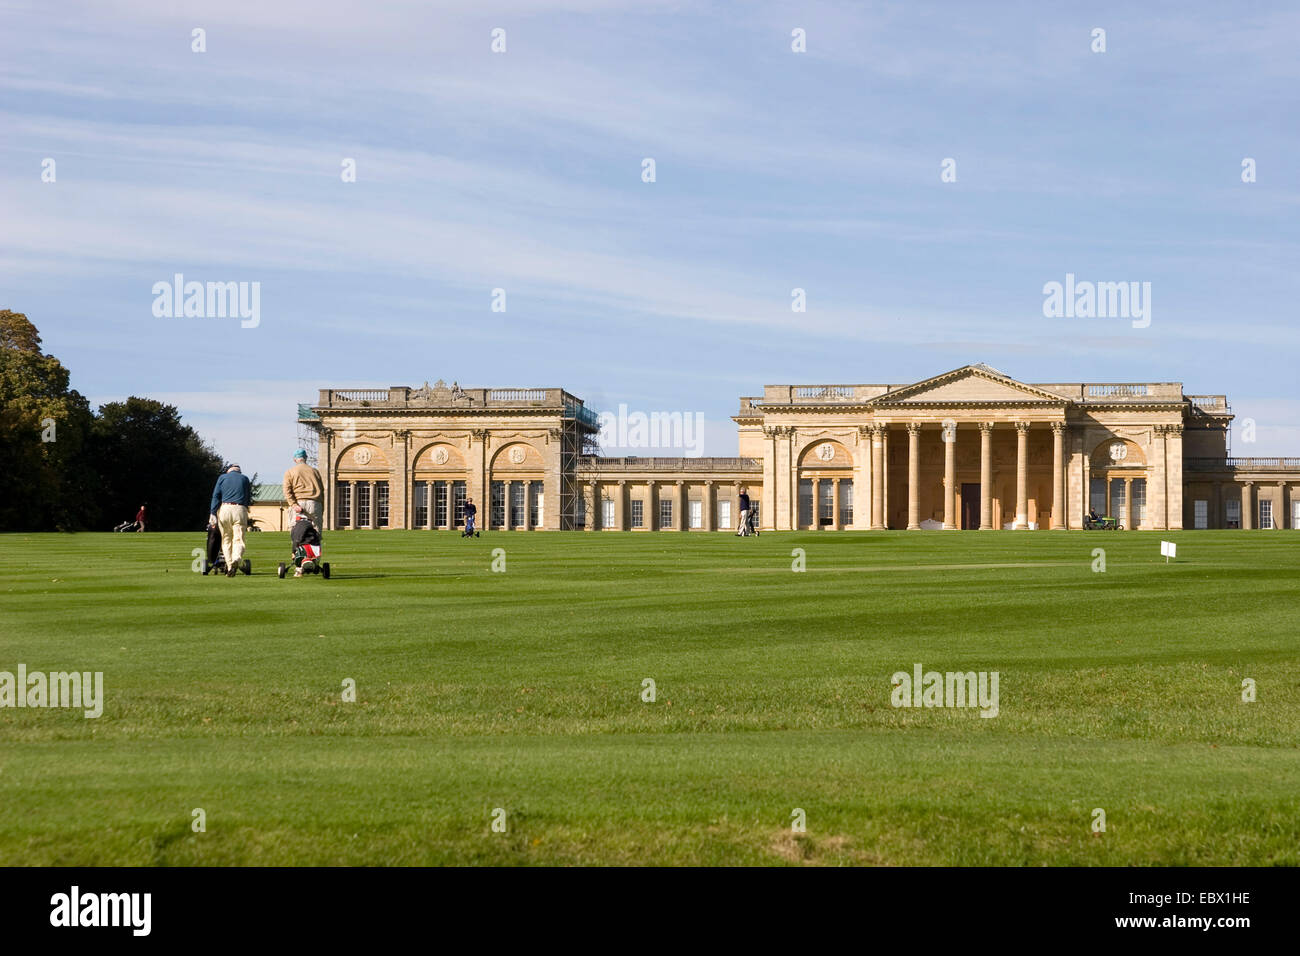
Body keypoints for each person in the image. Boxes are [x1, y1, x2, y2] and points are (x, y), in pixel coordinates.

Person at [210, 464, 253, 577]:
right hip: (239, 509)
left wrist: (213, 513)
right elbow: (248, 497)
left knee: (226, 540)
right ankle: (236, 559)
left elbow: (216, 496)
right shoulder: (245, 478)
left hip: (225, 509)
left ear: (229, 471)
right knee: (238, 539)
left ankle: (229, 566)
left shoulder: (222, 477)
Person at [283, 449, 324, 530]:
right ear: (306, 458)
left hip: (298, 503)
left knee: (296, 532)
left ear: (294, 460)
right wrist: (321, 507)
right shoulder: (315, 471)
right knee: (316, 532)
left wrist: (293, 504)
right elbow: (322, 490)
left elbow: (287, 491)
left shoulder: (290, 472)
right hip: (315, 504)